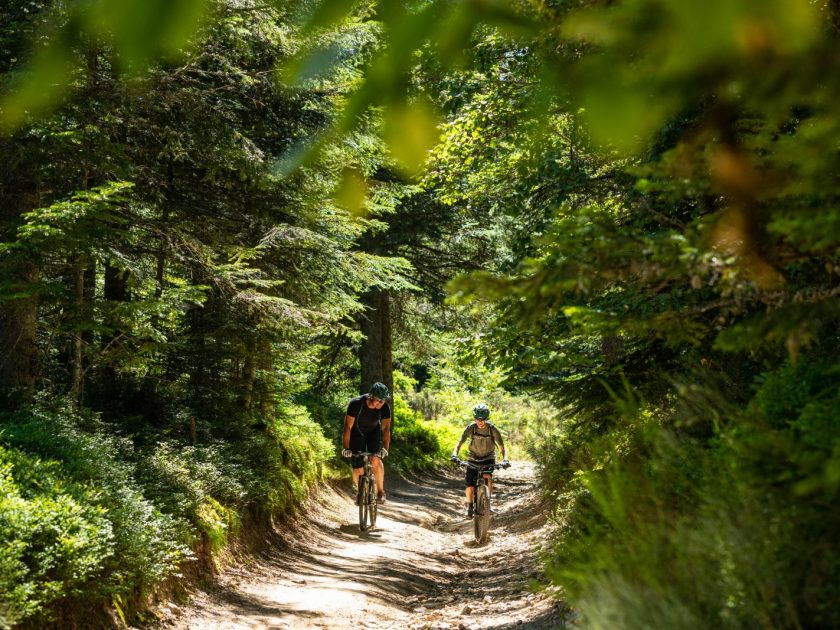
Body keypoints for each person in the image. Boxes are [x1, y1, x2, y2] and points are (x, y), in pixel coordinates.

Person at [451, 403, 508, 518]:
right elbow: (459, 443)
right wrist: (454, 455)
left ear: (486, 419)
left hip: (488, 458)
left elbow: (502, 446)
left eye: (483, 419)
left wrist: (505, 459)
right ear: (475, 418)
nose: (480, 422)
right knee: (470, 486)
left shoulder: (493, 430)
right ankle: (470, 507)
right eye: (478, 419)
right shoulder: (470, 428)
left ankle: (487, 504)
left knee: (488, 476)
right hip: (473, 458)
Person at [341, 382, 392, 503]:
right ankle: (361, 492)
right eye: (379, 400)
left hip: (373, 432)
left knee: (376, 458)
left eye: (383, 401)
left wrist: (385, 448)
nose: (381, 403)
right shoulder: (356, 404)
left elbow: (386, 429)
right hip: (357, 432)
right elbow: (348, 427)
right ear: (371, 396)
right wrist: (346, 448)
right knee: (356, 465)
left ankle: (380, 492)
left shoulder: (385, 407)